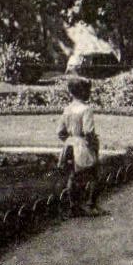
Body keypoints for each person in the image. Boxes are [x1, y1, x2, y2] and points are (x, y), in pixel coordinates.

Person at [57, 76, 100, 215]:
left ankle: (73, 207)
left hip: (70, 144)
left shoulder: (67, 109)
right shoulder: (86, 109)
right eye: (87, 90)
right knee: (93, 174)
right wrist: (93, 145)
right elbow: (89, 131)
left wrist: (70, 140)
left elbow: (60, 131)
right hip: (82, 144)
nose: (89, 93)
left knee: (72, 176)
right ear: (82, 92)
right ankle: (91, 205)